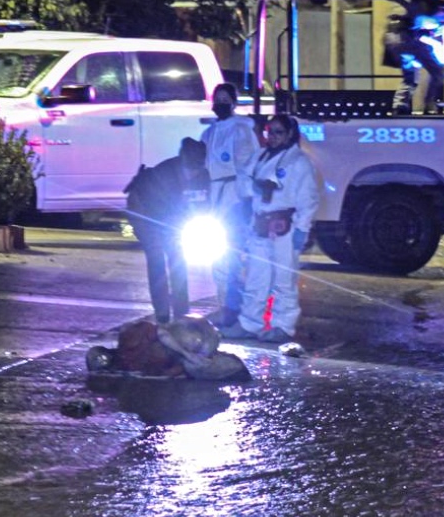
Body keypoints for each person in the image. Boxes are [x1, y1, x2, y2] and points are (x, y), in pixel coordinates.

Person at [218, 115, 319, 343]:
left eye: (278, 132)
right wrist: (256, 187)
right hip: (260, 224)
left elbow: (308, 199)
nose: (272, 137)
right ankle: (249, 323)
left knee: (283, 280)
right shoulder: (259, 156)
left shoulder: (299, 162)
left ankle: (283, 326)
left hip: (286, 227)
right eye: (269, 132)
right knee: (256, 278)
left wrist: (302, 229)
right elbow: (242, 183)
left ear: (290, 134)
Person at [124, 137, 211, 324]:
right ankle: (162, 314)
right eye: (191, 168)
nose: (194, 172)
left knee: (178, 262)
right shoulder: (165, 175)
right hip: (145, 215)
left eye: (198, 167)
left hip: (171, 220)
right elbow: (159, 211)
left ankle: (181, 313)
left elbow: (204, 205)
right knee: (157, 261)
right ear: (183, 159)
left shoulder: (203, 175)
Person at [199, 82, 258, 328]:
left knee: (233, 255)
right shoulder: (209, 133)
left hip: (233, 198)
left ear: (233, 103)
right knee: (217, 255)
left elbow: (248, 167)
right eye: (218, 99)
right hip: (214, 199)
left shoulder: (241, 130)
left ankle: (239, 309)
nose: (221, 103)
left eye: (226, 99)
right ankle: (224, 305)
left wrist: (244, 200)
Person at [383, 0, 444, 115]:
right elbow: (433, 11)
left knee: (410, 77)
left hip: (392, 38)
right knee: (437, 72)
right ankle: (430, 105)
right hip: (407, 37)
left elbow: (414, 14)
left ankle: (399, 105)